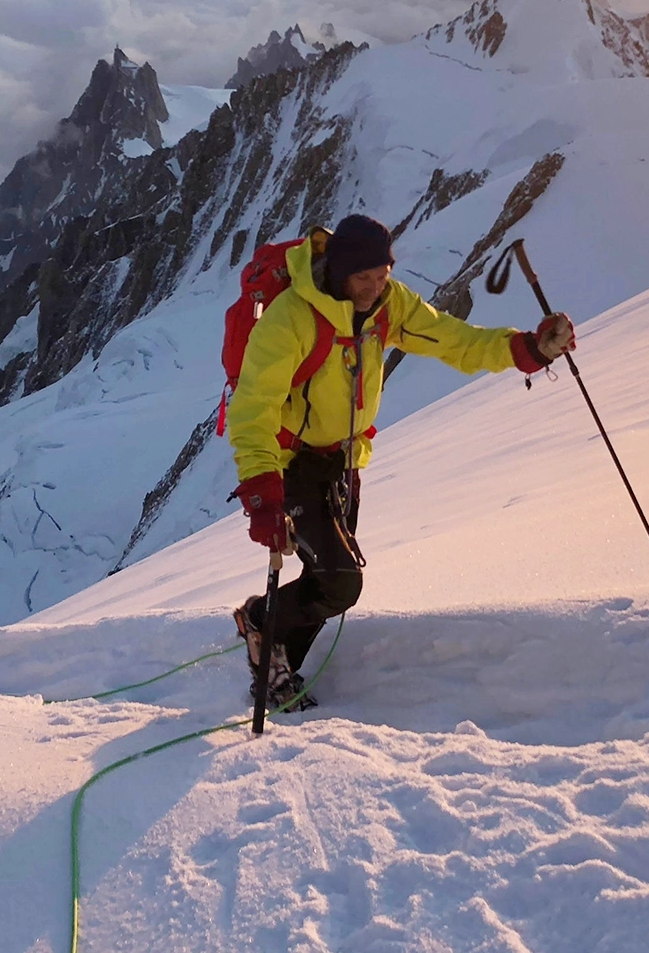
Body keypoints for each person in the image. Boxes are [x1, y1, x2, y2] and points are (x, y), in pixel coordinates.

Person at [226, 215, 574, 705]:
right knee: (339, 581)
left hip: (345, 460)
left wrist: (526, 349)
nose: (374, 289)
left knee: (326, 576)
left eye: (382, 276)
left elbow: (453, 340)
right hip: (291, 462)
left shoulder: (390, 306)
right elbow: (252, 407)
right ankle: (262, 623)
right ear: (339, 272)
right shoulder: (292, 318)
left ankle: (275, 660)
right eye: (363, 278)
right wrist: (263, 492)